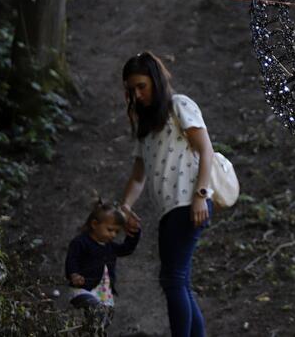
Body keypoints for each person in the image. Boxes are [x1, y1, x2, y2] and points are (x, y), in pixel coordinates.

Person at [119, 51, 215, 337]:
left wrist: (200, 194)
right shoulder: (146, 127)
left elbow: (206, 150)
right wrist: (124, 206)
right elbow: (138, 177)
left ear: (156, 81)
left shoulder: (179, 106)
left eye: (141, 86)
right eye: (131, 89)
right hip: (169, 211)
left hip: (188, 203)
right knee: (178, 281)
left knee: (173, 280)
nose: (136, 94)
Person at [65, 199, 140, 335]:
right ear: (94, 224)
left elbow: (127, 249)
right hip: (83, 289)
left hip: (104, 293)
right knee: (95, 309)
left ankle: (85, 332)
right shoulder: (81, 242)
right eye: (110, 230)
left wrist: (134, 232)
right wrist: (74, 274)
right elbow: (72, 260)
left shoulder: (110, 246)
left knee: (105, 320)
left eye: (117, 232)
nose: (113, 235)